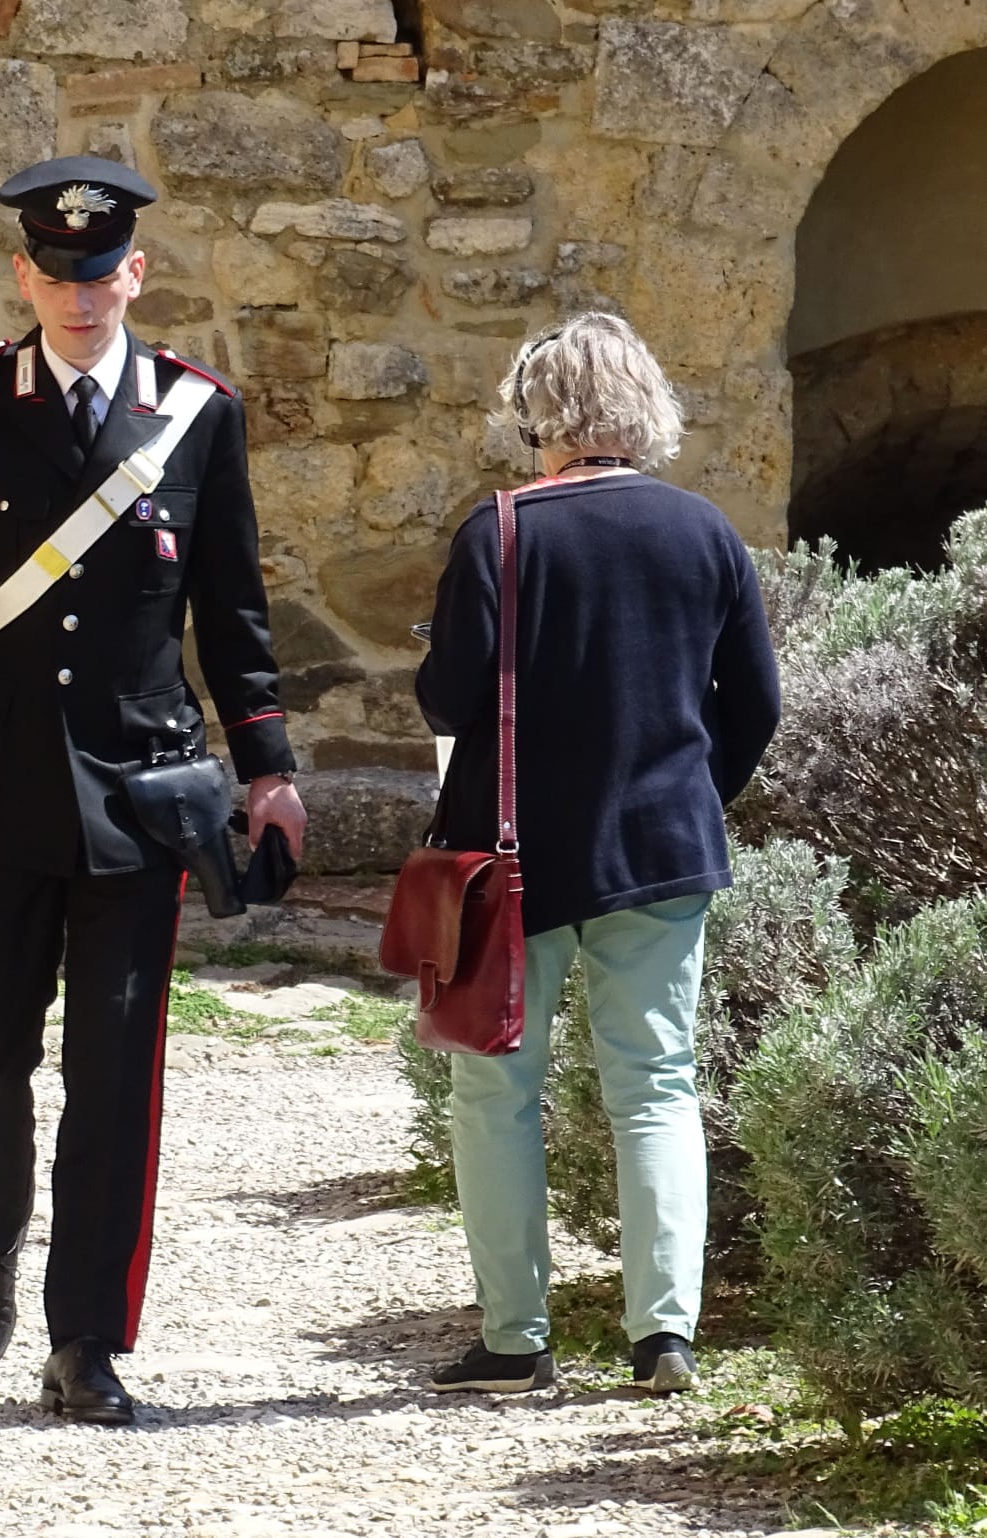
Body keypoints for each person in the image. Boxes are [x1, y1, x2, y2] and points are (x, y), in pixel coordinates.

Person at [0, 155, 308, 1425]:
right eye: (53, 272)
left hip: (139, 789)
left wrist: (267, 765)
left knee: (116, 1073)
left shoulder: (194, 411)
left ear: (137, 273)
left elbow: (229, 607)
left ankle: (85, 1340)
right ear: (23, 275)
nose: (78, 293)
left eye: (100, 270)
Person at [416, 312, 781, 1397]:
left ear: (537, 417)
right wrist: (686, 795)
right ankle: (662, 1333)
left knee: (494, 1091)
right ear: (644, 409)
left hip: (514, 862)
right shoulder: (702, 530)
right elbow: (752, 705)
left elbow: (446, 694)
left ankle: (515, 1339)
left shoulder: (500, 533)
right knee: (656, 1086)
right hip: (660, 855)